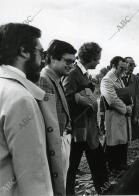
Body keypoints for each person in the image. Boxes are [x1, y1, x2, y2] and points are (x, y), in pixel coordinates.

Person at [0, 23, 55, 195]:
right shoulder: (20, 98)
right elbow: (34, 178)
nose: (44, 60)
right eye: (41, 53)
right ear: (24, 51)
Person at [63, 42, 109, 195]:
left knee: (98, 162)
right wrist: (84, 100)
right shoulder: (72, 73)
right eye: (98, 58)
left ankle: (104, 190)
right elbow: (66, 98)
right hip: (78, 131)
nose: (99, 62)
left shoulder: (83, 73)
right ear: (91, 58)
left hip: (89, 129)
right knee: (71, 168)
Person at [38, 39, 76, 188]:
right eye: (68, 61)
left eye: (73, 62)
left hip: (61, 139)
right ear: (53, 58)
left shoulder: (55, 78)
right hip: (53, 144)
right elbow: (47, 121)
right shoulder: (44, 79)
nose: (71, 65)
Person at [100, 56, 132, 174]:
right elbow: (112, 99)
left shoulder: (120, 79)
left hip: (121, 116)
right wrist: (126, 108)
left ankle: (121, 165)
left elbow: (124, 95)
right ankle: (113, 168)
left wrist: (129, 105)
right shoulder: (107, 80)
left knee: (121, 141)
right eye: (121, 68)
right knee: (113, 142)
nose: (123, 70)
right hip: (113, 116)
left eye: (125, 68)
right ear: (114, 66)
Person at [122, 57, 139, 141]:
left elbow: (138, 98)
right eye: (130, 65)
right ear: (124, 64)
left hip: (131, 111)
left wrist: (136, 115)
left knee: (129, 135)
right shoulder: (117, 76)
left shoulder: (136, 79)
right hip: (119, 110)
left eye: (134, 65)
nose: (132, 67)